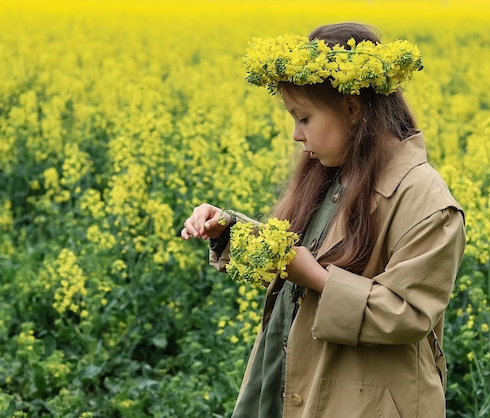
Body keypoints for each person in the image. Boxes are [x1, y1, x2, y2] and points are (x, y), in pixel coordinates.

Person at [180, 22, 466, 418]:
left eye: (304, 118)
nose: (297, 136)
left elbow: (408, 314)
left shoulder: (425, 199)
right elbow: (305, 253)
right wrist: (230, 231)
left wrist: (313, 276)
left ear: (352, 108)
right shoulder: (333, 172)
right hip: (295, 383)